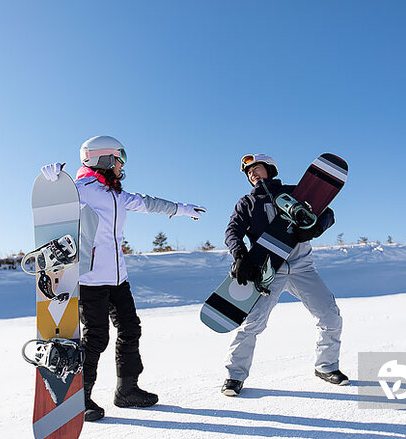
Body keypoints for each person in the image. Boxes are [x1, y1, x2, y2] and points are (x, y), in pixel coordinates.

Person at [41, 135, 206, 421]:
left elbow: (147, 203)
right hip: (91, 279)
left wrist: (180, 208)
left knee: (130, 329)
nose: (122, 166)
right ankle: (80, 397)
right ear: (103, 159)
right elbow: (53, 208)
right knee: (96, 338)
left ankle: (127, 390)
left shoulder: (116, 193)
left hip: (119, 278)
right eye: (120, 159)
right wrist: (54, 184)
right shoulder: (81, 189)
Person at [221, 154, 347, 396]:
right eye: (249, 173)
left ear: (269, 169)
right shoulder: (247, 202)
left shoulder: (295, 192)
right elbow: (233, 230)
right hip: (269, 270)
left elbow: (328, 212)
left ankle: (326, 366)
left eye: (256, 169)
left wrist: (316, 227)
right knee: (252, 323)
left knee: (330, 316)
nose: (252, 175)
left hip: (302, 267)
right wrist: (239, 255)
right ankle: (234, 376)